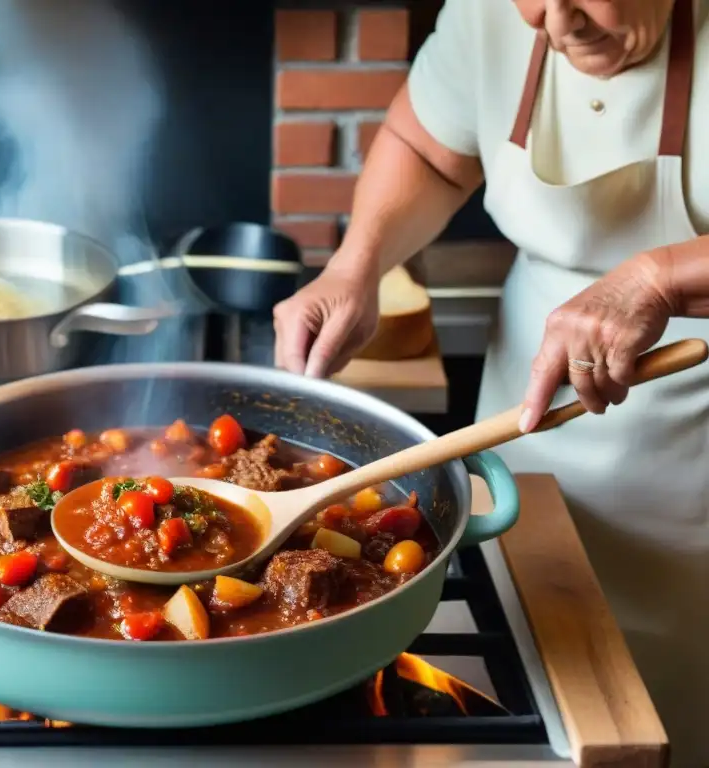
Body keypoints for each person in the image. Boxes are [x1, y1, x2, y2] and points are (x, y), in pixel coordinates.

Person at [273, 1, 709, 764]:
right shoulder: (496, 14)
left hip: (691, 474)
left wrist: (662, 276)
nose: (554, 22)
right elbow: (430, 148)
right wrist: (358, 265)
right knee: (523, 696)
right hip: (525, 440)